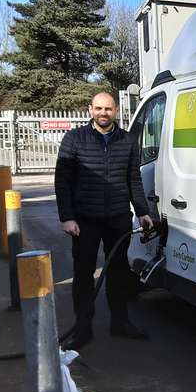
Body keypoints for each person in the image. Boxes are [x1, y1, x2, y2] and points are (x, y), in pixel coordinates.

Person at [55, 92, 153, 350]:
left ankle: (120, 322)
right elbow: (62, 181)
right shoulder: (74, 139)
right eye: (98, 108)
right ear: (90, 110)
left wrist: (142, 211)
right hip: (84, 220)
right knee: (84, 274)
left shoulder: (128, 140)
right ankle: (82, 327)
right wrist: (67, 217)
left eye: (108, 108)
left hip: (118, 218)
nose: (103, 113)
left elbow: (134, 178)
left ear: (116, 110)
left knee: (118, 273)